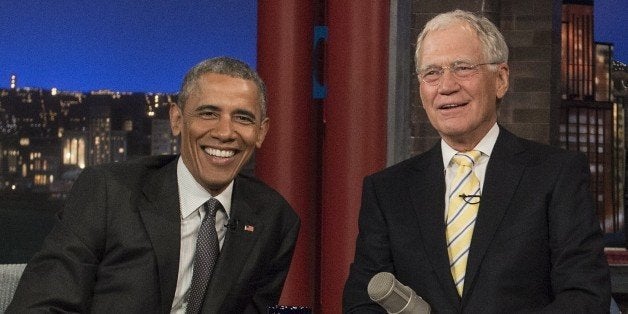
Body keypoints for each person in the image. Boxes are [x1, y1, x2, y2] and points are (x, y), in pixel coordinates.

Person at [343, 10, 610, 313]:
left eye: (462, 68)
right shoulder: (387, 191)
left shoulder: (557, 175)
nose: (446, 86)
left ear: (501, 79)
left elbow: (585, 297)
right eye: (432, 72)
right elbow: (361, 303)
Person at [8, 57, 300, 313]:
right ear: (176, 120)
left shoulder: (273, 220)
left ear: (261, 132)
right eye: (208, 113)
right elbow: (40, 305)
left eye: (242, 118)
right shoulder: (108, 192)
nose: (225, 132)